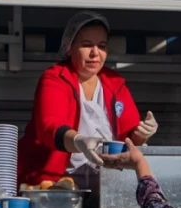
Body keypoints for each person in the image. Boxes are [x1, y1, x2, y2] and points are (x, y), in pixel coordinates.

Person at [18, 11, 159, 188]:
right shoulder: (54, 78)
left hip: (108, 184)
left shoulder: (115, 83)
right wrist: (79, 141)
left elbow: (130, 138)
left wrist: (143, 134)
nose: (95, 53)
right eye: (86, 45)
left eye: (102, 46)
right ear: (70, 46)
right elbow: (49, 128)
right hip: (55, 183)